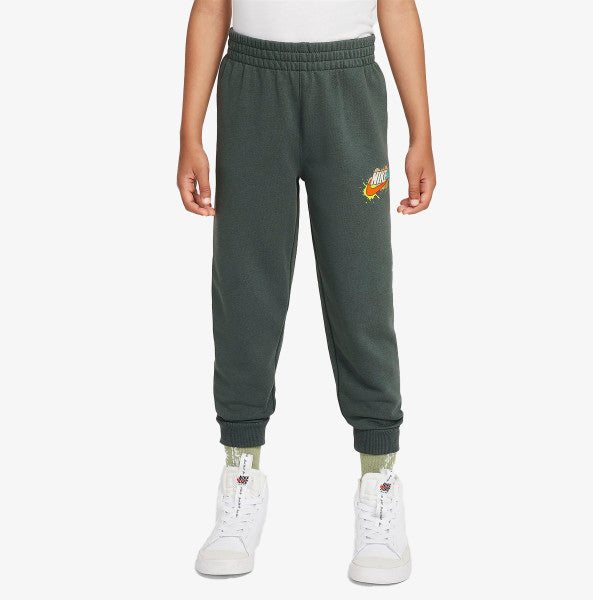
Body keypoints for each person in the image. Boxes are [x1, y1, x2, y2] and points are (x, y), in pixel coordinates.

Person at [177, 0, 435, 584]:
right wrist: (190, 130)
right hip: (252, 87)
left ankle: (379, 478)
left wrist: (421, 131)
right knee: (245, 288)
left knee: (362, 288)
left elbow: (396, 6)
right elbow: (211, 6)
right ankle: (241, 471)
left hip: (347, 86)